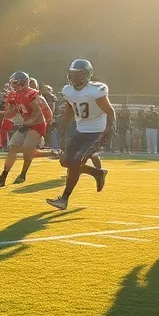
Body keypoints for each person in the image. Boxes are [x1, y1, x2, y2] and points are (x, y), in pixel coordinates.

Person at [47, 58, 113, 210]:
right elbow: (70, 111)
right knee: (66, 162)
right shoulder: (68, 91)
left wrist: (109, 130)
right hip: (81, 131)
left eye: (79, 74)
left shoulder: (96, 90)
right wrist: (57, 121)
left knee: (76, 162)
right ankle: (97, 173)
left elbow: (110, 112)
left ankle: (64, 199)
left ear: (87, 75)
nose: (75, 78)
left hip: (97, 132)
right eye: (73, 74)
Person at [0, 71, 48, 186]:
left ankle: (23, 174)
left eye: (15, 83)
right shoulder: (15, 95)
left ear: (23, 82)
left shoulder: (31, 94)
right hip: (26, 124)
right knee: (13, 148)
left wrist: (27, 124)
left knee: (27, 148)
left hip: (37, 124)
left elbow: (38, 114)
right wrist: (5, 111)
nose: (13, 85)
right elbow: (12, 113)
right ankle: (3, 176)